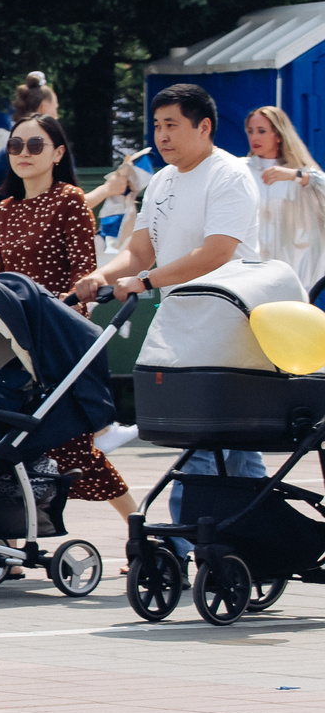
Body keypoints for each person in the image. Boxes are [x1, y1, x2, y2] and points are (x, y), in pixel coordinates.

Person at [74, 83, 266, 522]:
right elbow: (140, 251)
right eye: (157, 126)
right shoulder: (161, 181)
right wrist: (101, 276)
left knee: (204, 438)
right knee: (231, 444)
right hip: (183, 327)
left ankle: (177, 547)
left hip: (228, 325)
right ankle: (255, 536)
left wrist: (144, 281)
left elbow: (216, 251)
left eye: (172, 125)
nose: (162, 136)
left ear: (204, 127)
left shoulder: (229, 175)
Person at [0, 114, 132, 521]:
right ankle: (7, 547)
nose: (24, 154)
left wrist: (65, 317)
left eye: (35, 146)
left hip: (56, 335)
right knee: (1, 437)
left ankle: (140, 530)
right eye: (16, 146)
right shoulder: (5, 209)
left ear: (58, 153)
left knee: (71, 447)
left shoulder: (69, 199)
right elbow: (0, 277)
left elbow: (84, 274)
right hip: (13, 337)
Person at [0, 74, 55, 272]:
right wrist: (108, 190)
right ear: (44, 109)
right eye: (55, 109)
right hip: (41, 259)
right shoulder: (53, 154)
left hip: (4, 260)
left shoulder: (0, 158)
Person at [246, 104, 325, 297]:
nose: (254, 137)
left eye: (262, 131)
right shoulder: (241, 170)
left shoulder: (300, 175)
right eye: (250, 131)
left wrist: (296, 175)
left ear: (278, 135)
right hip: (249, 272)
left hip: (292, 273)